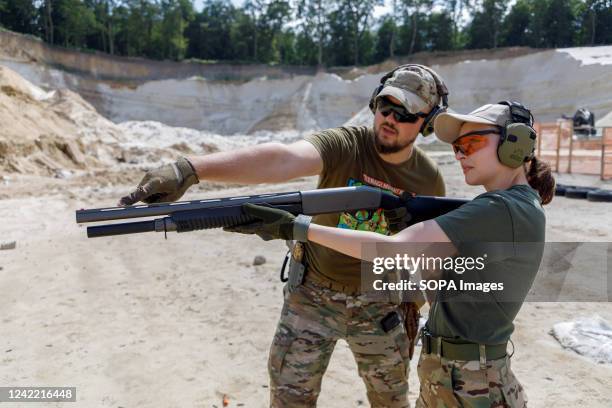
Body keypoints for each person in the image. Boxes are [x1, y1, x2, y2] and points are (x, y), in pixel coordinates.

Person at [118, 65, 450, 407]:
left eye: (406, 113)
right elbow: (283, 159)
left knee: (391, 402)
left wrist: (418, 307)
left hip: (379, 304)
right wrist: (189, 170)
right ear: (373, 104)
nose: (390, 119)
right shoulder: (346, 143)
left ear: (426, 123)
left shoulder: (427, 180)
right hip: (312, 295)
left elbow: (429, 257)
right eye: (385, 107)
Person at [227, 101, 555, 407]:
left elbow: (393, 251)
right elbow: (447, 285)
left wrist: (298, 228)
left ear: (515, 144)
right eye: (457, 147)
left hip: (474, 384)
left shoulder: (499, 208)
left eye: (471, 144)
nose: (460, 154)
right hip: (455, 375)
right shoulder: (510, 207)